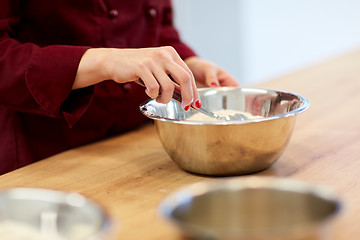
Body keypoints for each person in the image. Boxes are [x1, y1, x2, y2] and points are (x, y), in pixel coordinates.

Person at [0, 0, 240, 174]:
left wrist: (186, 63)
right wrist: (105, 61)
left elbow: (158, 24)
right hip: (46, 155)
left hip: (140, 144)